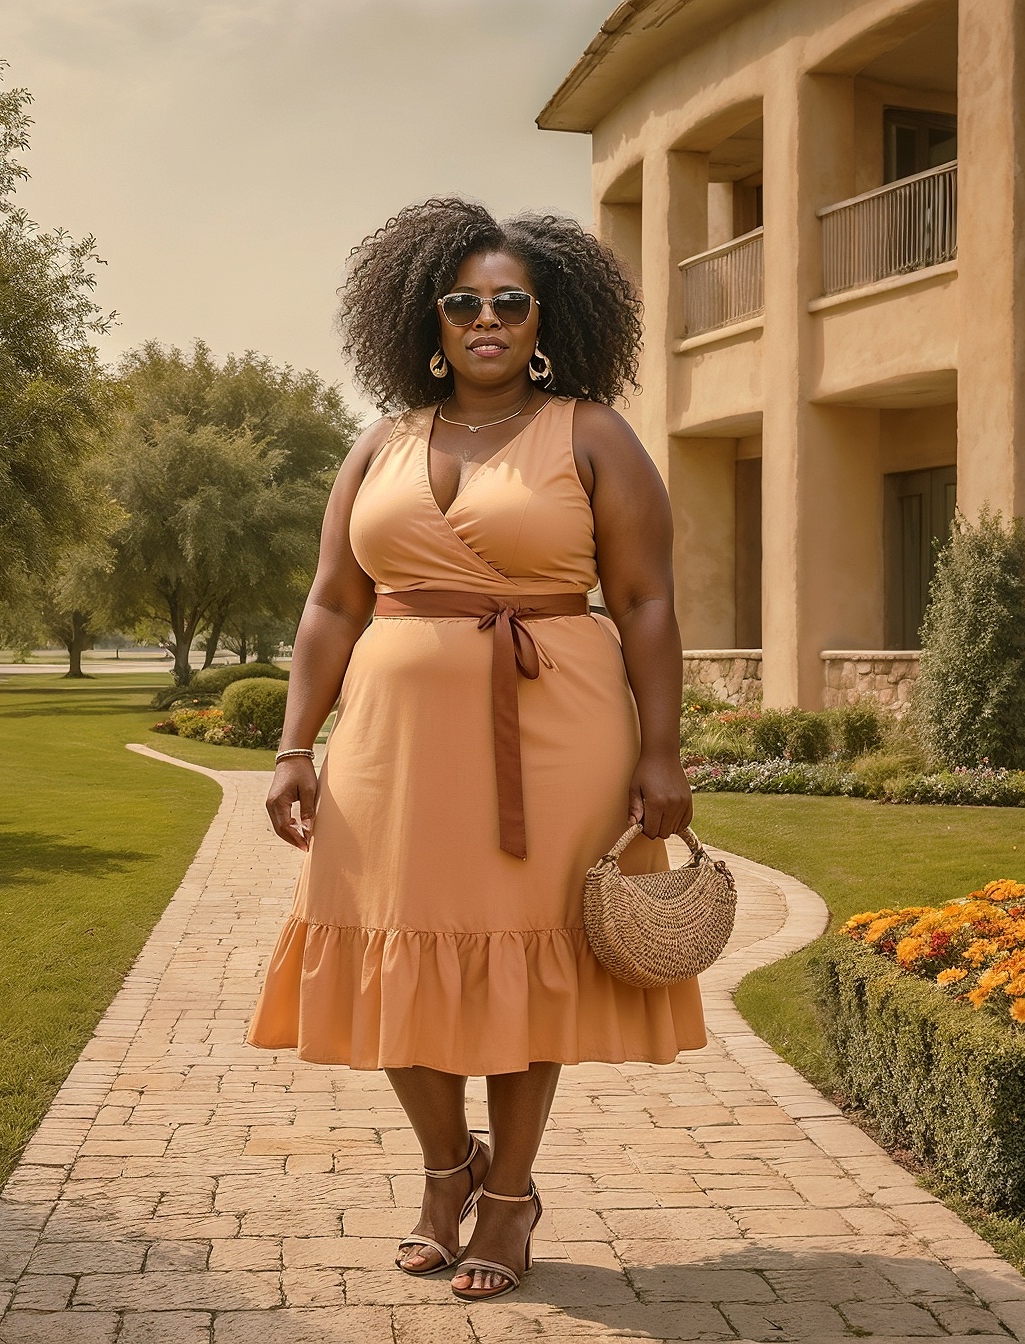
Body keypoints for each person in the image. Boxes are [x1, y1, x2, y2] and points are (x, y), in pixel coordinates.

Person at [249, 197, 706, 1302]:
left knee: (521, 961)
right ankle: (448, 1170)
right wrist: (293, 744)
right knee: (380, 940)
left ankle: (512, 1199)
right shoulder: (382, 443)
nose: (486, 318)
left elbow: (643, 602)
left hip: (556, 736)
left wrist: (662, 754)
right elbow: (329, 604)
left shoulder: (591, 432)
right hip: (392, 745)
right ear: (429, 317)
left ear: (546, 317)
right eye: (463, 302)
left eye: (510, 301)